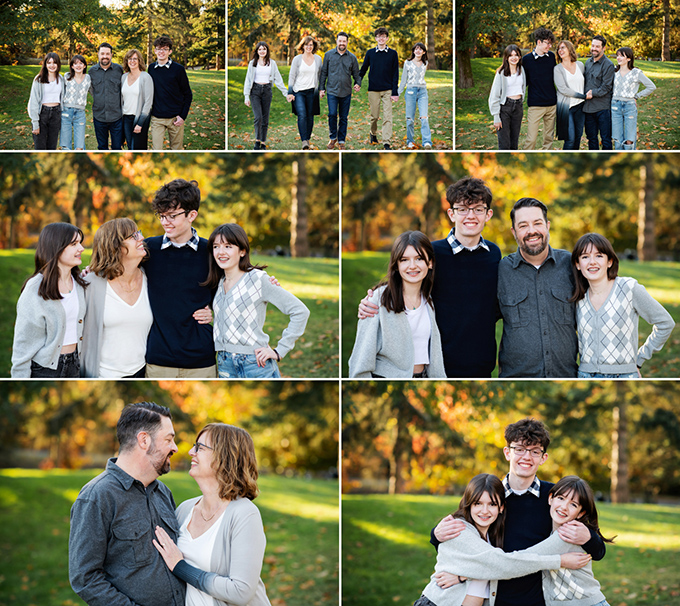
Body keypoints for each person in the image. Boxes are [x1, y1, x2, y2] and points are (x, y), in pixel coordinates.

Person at [431, 418, 607, 606]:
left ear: (543, 458)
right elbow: (462, 542)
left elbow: (597, 552)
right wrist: (436, 535)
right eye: (520, 449)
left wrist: (588, 537)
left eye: (534, 451)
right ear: (507, 453)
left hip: (538, 600)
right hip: (497, 599)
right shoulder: (488, 497)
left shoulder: (556, 498)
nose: (527, 457)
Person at [359, 177, 501, 378]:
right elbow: (404, 280)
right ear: (451, 213)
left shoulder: (494, 254)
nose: (471, 215)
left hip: (481, 365)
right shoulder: (433, 253)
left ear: (488, 214)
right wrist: (371, 300)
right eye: (462, 209)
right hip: (438, 365)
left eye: (478, 209)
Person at [69, 402, 185, 606]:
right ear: (144, 440)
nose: (175, 448)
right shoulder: (97, 496)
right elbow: (85, 578)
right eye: (169, 439)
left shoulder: (163, 492)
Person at [414, 474, 590, 606]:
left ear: (501, 508)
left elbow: (489, 566)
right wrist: (559, 560)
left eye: (491, 504)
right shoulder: (460, 529)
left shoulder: (490, 534)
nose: (484, 510)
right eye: (477, 504)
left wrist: (462, 576)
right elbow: (504, 564)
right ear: (468, 504)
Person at [153, 423, 272, 606]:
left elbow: (241, 591)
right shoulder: (185, 509)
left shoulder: (244, 514)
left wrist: (181, 567)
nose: (191, 451)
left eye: (200, 447)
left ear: (223, 456)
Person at [201, 223, 310, 379]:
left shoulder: (257, 279)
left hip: (255, 363)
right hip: (224, 363)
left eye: (228, 246)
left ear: (242, 251)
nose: (221, 252)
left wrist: (279, 351)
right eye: (216, 246)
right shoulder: (218, 282)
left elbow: (300, 311)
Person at [570, 232, 674, 379]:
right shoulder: (578, 298)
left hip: (624, 376)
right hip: (585, 376)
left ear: (609, 261)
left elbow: (665, 323)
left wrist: (640, 359)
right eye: (585, 257)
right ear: (578, 264)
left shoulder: (629, 288)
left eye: (599, 256)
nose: (592, 262)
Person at [497, 198, 577, 378]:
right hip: (515, 379)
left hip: (566, 378)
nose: (531, 231)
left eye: (537, 223)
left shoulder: (570, 265)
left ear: (547, 225)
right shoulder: (501, 271)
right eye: (523, 225)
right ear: (514, 232)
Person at [144, 179, 217, 378]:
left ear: (192, 215)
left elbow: (229, 293)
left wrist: (214, 312)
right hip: (159, 360)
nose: (165, 222)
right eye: (162, 216)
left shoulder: (211, 252)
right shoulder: (148, 250)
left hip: (201, 360)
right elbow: (118, 271)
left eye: (172, 216)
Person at [349, 231, 445, 378]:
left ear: (430, 262)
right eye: (404, 260)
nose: (412, 266)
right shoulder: (378, 299)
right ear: (396, 265)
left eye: (419, 258)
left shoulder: (430, 301)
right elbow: (360, 360)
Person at [11, 223, 86, 378]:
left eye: (80, 242)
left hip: (76, 364)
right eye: (74, 244)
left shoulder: (80, 283)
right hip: (45, 369)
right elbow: (23, 346)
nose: (81, 248)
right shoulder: (35, 289)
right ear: (56, 247)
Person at [81, 218, 153, 378]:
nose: (141, 238)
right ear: (115, 246)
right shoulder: (90, 284)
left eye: (139, 233)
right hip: (102, 376)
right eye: (133, 236)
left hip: (142, 373)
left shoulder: (151, 279)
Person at [148, 35, 193, 150]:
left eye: (165, 49)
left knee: (176, 149)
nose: (161, 52)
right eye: (158, 49)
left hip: (175, 118)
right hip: (157, 118)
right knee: (156, 149)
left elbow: (188, 94)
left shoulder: (178, 69)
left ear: (170, 51)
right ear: (155, 51)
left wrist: (182, 116)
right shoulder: (151, 68)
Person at [319, 32, 362, 150]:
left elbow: (356, 74)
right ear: (336, 41)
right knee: (332, 114)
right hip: (332, 91)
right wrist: (321, 88)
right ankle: (333, 137)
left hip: (346, 92)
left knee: (343, 117)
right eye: (340, 41)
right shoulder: (328, 55)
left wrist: (358, 83)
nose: (342, 43)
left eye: (344, 41)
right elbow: (324, 73)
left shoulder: (352, 58)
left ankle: (341, 140)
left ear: (347, 42)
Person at [359, 27, 400, 150]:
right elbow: (364, 69)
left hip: (387, 89)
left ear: (387, 38)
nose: (381, 38)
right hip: (374, 89)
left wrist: (394, 91)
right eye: (379, 36)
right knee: (374, 116)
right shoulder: (370, 53)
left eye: (384, 36)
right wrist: (358, 81)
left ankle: (386, 142)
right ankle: (373, 133)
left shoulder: (393, 54)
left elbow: (395, 73)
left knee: (387, 117)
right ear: (376, 38)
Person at [243, 41, 288, 150]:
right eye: (260, 49)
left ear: (267, 51)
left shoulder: (272, 63)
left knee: (265, 118)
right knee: (258, 117)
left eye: (264, 49)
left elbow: (278, 79)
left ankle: (263, 143)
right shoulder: (252, 63)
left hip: (267, 91)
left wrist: (286, 93)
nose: (262, 51)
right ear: (257, 51)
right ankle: (257, 141)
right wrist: (246, 96)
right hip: (255, 91)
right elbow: (248, 80)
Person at [611, 47, 656, 150]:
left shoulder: (636, 73)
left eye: (622, 56)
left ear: (629, 58)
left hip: (629, 107)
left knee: (629, 139)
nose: (618, 58)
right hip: (615, 106)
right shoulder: (614, 71)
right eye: (617, 55)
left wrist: (637, 96)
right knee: (617, 138)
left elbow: (651, 86)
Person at [522, 27, 557, 150]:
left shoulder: (551, 57)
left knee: (548, 138)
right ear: (539, 42)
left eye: (551, 43)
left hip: (552, 104)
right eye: (547, 43)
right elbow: (523, 82)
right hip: (535, 105)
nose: (550, 46)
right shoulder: (526, 60)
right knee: (531, 139)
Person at [287, 36, 323, 150]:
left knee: (310, 116)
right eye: (306, 45)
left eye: (311, 45)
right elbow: (292, 76)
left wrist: (322, 89)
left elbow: (320, 76)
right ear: (303, 46)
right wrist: (290, 92)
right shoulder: (297, 59)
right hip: (298, 92)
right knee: (302, 114)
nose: (309, 47)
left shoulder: (318, 59)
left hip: (312, 91)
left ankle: (307, 139)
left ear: (314, 46)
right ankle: (304, 141)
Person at [488, 44, 525, 150]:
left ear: (519, 57)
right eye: (511, 55)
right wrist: (496, 116)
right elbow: (494, 95)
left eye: (516, 55)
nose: (514, 58)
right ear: (506, 58)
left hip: (518, 108)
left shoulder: (522, 71)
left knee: (514, 143)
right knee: (504, 144)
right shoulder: (501, 73)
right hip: (505, 108)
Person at [89, 42, 124, 150]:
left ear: (111, 55)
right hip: (99, 116)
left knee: (117, 147)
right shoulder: (92, 72)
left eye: (107, 54)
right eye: (102, 53)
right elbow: (91, 90)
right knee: (102, 147)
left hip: (116, 117)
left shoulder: (119, 70)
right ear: (98, 54)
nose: (105, 56)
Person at [583, 35, 615, 150]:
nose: (594, 48)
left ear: (603, 48)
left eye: (597, 46)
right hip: (588, 108)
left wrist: (592, 93)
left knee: (606, 139)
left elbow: (606, 87)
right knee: (591, 138)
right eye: (593, 46)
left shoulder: (608, 65)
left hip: (603, 108)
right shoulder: (587, 62)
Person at [398, 42, 433, 150]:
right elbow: (404, 79)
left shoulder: (425, 63)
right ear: (413, 51)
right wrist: (398, 93)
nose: (418, 51)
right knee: (410, 119)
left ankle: (427, 142)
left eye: (420, 49)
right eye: (416, 49)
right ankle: (410, 141)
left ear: (424, 52)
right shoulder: (407, 63)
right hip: (410, 92)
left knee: (424, 118)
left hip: (422, 91)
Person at [28, 52, 64, 150]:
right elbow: (33, 101)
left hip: (56, 115)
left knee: (52, 147)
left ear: (58, 64)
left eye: (54, 63)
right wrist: (35, 123)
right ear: (45, 64)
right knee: (40, 147)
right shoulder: (38, 79)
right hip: (42, 114)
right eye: (49, 63)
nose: (52, 65)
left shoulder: (61, 79)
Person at [554, 40, 586, 150]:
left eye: (563, 47)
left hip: (580, 107)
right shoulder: (558, 69)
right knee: (570, 138)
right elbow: (563, 89)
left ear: (570, 49)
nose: (560, 50)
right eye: (558, 48)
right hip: (565, 108)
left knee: (578, 137)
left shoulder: (580, 65)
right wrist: (583, 96)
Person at [121, 48, 154, 150]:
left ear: (140, 60)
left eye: (135, 58)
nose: (132, 61)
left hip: (140, 118)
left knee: (138, 147)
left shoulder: (145, 77)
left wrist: (140, 123)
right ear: (127, 61)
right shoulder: (124, 77)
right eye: (130, 59)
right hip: (126, 117)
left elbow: (148, 102)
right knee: (130, 146)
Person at [60, 54, 91, 150]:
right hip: (66, 112)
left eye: (81, 63)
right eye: (75, 63)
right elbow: (61, 93)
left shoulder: (88, 78)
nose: (78, 66)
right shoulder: (66, 76)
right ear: (72, 66)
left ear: (85, 65)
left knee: (80, 146)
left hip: (80, 113)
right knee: (65, 145)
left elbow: (95, 93)